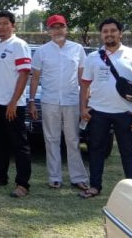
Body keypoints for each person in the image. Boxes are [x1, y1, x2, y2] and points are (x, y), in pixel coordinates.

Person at [79, 18, 132, 199]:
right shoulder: (93, 57)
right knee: (96, 150)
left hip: (126, 113)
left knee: (128, 151)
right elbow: (85, 85)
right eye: (105, 31)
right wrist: (83, 109)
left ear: (120, 33)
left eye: (113, 30)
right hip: (98, 112)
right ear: (101, 34)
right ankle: (95, 186)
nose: (109, 34)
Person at [29, 14, 89, 190]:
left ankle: (78, 177)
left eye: (60, 27)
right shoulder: (42, 51)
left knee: (73, 139)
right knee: (51, 139)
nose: (57, 30)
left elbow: (82, 78)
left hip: (71, 100)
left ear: (66, 29)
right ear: (48, 31)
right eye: (53, 27)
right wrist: (32, 101)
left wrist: (85, 102)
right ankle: (54, 177)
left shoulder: (77, 49)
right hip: (49, 101)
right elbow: (34, 79)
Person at [0, 10, 32, 198]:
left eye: (5, 23)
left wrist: (13, 102)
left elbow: (24, 74)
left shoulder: (19, 45)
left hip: (13, 105)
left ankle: (23, 184)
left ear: (13, 25)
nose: (1, 26)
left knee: (19, 145)